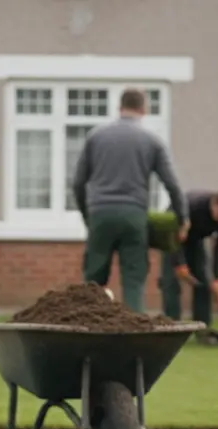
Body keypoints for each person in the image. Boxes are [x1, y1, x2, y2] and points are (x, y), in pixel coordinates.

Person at [72, 88, 188, 312]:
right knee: (133, 281)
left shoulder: (96, 136)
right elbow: (173, 184)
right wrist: (183, 218)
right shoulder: (152, 141)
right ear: (144, 109)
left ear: (119, 107)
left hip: (100, 214)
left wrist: (88, 216)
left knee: (93, 281)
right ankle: (133, 338)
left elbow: (78, 183)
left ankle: (87, 331)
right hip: (134, 215)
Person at [160, 188, 218, 343]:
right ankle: (171, 329)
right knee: (171, 282)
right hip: (171, 235)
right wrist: (179, 264)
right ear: (214, 205)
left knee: (203, 281)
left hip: (196, 240)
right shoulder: (192, 206)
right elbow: (173, 234)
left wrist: (217, 278)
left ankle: (203, 330)